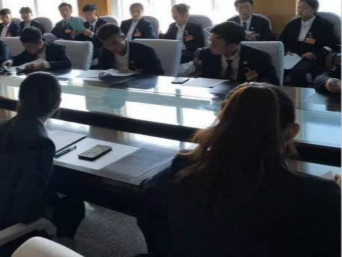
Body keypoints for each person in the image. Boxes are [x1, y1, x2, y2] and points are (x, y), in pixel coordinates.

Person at [138, 83, 341, 257]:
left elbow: (149, 200)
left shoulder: (183, 168)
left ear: (221, 123)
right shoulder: (319, 195)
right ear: (292, 132)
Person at [0, 72, 84, 246]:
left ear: (20, 99)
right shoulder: (41, 142)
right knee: (73, 203)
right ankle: (63, 247)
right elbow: (26, 212)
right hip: (3, 236)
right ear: (58, 103)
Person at [278, 0, 337, 87]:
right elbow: (281, 41)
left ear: (314, 9)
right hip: (292, 56)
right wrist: (286, 51)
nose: (300, 10)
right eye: (299, 8)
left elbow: (333, 44)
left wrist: (314, 54)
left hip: (311, 57)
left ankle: (301, 94)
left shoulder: (324, 25)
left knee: (297, 72)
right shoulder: (292, 24)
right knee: (277, 69)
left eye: (304, 8)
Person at [199, 22, 278, 85]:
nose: (211, 45)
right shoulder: (207, 54)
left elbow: (272, 84)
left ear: (232, 45)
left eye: (215, 42)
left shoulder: (258, 57)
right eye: (210, 40)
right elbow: (205, 80)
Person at [96, 24, 164, 74]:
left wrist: (135, 73)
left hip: (139, 86)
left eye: (114, 43)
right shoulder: (104, 52)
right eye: (107, 45)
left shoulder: (145, 52)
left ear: (123, 37)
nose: (112, 48)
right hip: (114, 86)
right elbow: (104, 71)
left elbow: (158, 73)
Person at [4, 27, 71, 72]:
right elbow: (17, 58)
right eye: (25, 46)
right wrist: (10, 61)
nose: (27, 49)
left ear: (40, 43)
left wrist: (42, 65)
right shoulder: (28, 51)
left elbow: (67, 63)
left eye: (29, 47)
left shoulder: (56, 48)